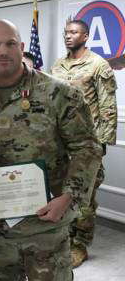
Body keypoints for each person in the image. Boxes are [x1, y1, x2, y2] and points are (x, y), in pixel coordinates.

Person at [0, 20, 102, 281]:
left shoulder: (59, 94)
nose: (3, 51)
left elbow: (87, 148)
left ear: (22, 47)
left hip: (48, 228)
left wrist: (69, 196)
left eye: (10, 43)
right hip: (0, 229)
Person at [51, 19, 117, 268]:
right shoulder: (58, 65)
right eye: (66, 32)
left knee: (85, 197)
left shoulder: (98, 65)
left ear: (86, 36)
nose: (68, 36)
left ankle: (80, 244)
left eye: (74, 32)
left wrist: (100, 145)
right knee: (62, 192)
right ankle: (65, 238)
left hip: (87, 143)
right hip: (60, 143)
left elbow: (108, 107)